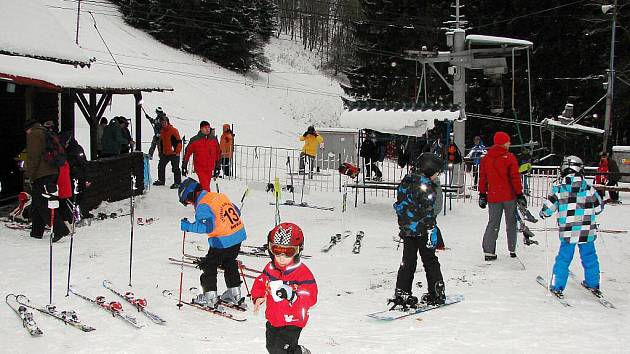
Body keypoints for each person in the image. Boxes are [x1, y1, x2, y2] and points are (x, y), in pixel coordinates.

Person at [539, 155, 604, 296]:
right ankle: (593, 283)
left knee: (563, 258)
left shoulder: (559, 189)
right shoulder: (588, 188)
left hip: (568, 232)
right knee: (590, 257)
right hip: (587, 231)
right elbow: (599, 208)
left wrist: (543, 213)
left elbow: (548, 209)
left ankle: (557, 285)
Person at [178, 178, 247, 309]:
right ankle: (235, 294)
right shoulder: (218, 196)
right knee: (229, 262)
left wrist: (188, 226)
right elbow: (237, 211)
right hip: (238, 235)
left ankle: (210, 297)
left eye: (188, 201)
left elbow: (207, 228)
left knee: (209, 265)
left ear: (192, 194)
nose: (191, 204)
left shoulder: (202, 205)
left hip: (222, 240)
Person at [252, 222, 318, 354]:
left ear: (298, 250)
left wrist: (293, 295)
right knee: (271, 347)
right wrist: (258, 296)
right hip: (273, 317)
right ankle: (300, 351)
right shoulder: (270, 268)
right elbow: (261, 281)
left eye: (288, 252)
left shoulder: (302, 272)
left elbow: (311, 296)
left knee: (280, 349)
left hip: (293, 320)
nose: (282, 258)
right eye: (277, 251)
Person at [390, 153, 446, 308]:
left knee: (407, 261)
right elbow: (431, 210)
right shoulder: (427, 185)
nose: (437, 176)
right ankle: (437, 290)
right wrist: (431, 229)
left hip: (408, 229)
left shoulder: (406, 181)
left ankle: (402, 292)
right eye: (436, 172)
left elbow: (402, 203)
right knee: (430, 260)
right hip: (423, 229)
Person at [478, 131, 526, 261]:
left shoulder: (486, 159)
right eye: (508, 141)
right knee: (511, 222)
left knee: (493, 222)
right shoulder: (509, 157)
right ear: (503, 143)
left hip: (493, 196)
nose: (509, 143)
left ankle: (489, 251)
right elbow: (515, 178)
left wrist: (482, 194)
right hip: (509, 196)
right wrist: (519, 194)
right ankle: (512, 249)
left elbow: (483, 178)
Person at [24, 118, 69, 241]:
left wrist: (29, 173)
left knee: (43, 203)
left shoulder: (34, 134)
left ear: (29, 128)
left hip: (42, 173)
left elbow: (34, 156)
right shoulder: (44, 132)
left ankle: (60, 230)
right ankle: (36, 232)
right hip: (52, 171)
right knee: (38, 202)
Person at [60, 131, 91, 219]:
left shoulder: (77, 149)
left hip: (78, 177)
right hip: (69, 177)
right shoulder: (64, 150)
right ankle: (73, 216)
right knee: (71, 198)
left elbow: (84, 164)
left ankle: (83, 215)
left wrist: (87, 178)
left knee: (80, 198)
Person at [182, 121, 220, 191]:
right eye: (205, 127)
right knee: (206, 189)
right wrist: (184, 165)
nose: (208, 129)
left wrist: (217, 166)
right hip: (200, 168)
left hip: (210, 168)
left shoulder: (213, 139)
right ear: (201, 129)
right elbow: (187, 153)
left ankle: (198, 199)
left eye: (208, 127)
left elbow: (218, 153)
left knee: (204, 187)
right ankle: (207, 200)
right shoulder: (195, 140)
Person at [154, 116, 182, 189]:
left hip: (174, 153)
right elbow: (161, 142)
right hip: (165, 153)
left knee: (175, 168)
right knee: (161, 166)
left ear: (168, 122)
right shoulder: (162, 131)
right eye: (162, 122)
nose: (163, 124)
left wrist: (177, 151)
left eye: (164, 122)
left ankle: (178, 183)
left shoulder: (174, 130)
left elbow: (179, 141)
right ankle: (161, 180)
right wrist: (160, 152)